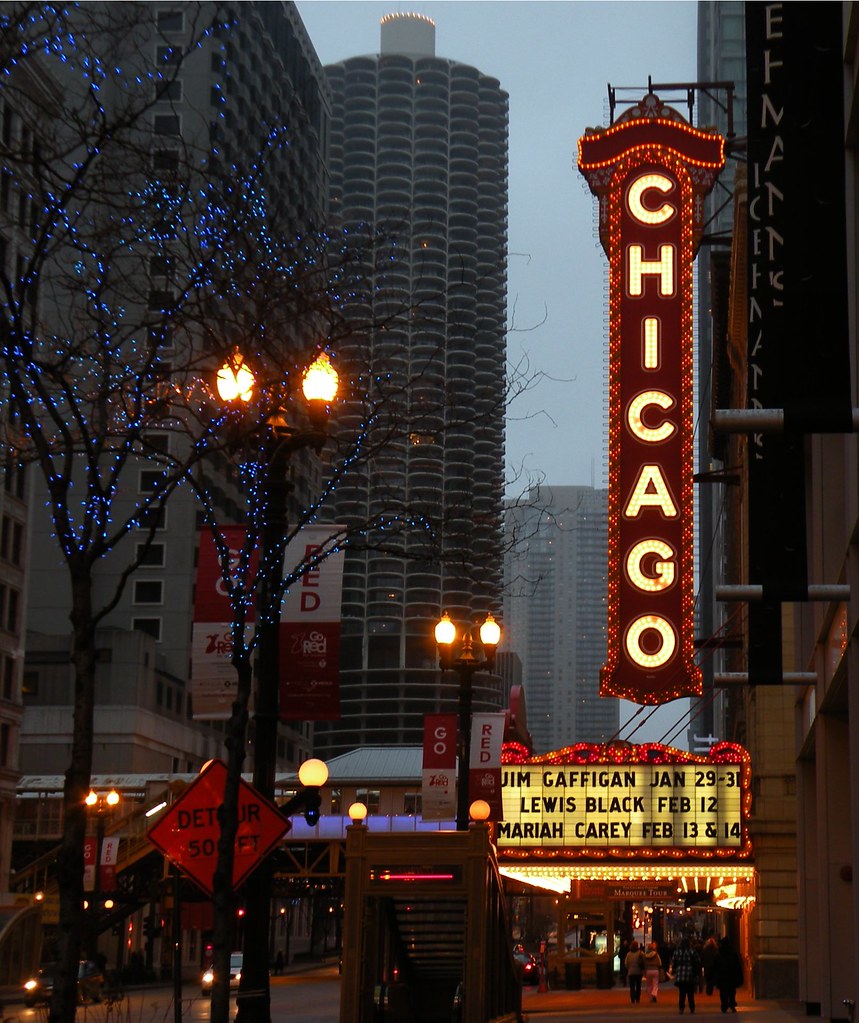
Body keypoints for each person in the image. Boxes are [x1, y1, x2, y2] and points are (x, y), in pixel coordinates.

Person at [669, 936, 702, 1014]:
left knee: (682, 993)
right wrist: (697, 972)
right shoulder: (692, 952)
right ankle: (692, 1007)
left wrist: (674, 970)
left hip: (680, 974)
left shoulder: (677, 952)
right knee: (690, 993)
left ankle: (681, 1008)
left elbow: (673, 962)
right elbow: (698, 961)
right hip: (690, 974)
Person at [713, 936, 743, 1013]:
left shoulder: (719, 954)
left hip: (722, 977)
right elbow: (737, 966)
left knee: (723, 992)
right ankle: (732, 1003)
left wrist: (714, 977)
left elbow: (715, 966)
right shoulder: (733, 953)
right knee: (731, 991)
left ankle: (724, 1005)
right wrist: (739, 977)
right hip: (731, 976)